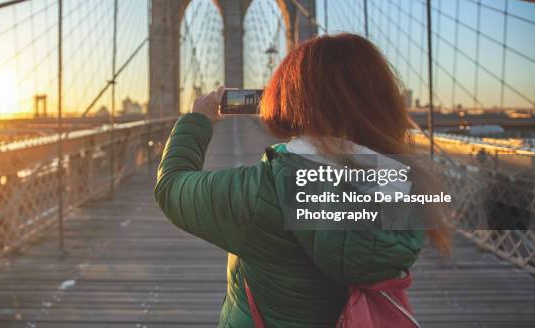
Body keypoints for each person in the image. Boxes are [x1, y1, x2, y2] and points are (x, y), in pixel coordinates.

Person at [154, 33, 450, 327]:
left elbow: (171, 187)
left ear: (288, 99)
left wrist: (196, 121)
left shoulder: (260, 191)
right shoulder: (410, 187)